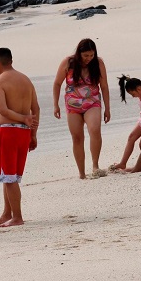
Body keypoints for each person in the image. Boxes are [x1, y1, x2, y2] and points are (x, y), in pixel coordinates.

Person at [0, 47, 39, 228]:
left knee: (9, 177)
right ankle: (6, 213)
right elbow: (36, 109)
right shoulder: (26, 80)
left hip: (7, 132)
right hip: (23, 133)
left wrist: (23, 119)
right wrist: (33, 133)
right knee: (9, 176)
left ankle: (17, 216)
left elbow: (3, 110)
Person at [53, 39, 111, 179]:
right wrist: (56, 104)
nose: (88, 59)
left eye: (91, 55)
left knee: (95, 130)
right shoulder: (68, 62)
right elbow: (57, 83)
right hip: (73, 105)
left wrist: (107, 108)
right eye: (86, 56)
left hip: (92, 102)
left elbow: (104, 86)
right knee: (77, 137)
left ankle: (95, 165)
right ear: (79, 53)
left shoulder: (98, 63)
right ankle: (81, 173)